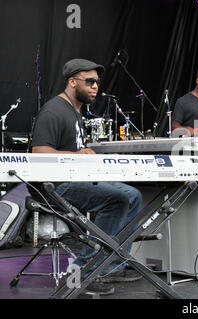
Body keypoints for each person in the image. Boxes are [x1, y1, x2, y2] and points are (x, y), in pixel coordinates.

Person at [30, 58, 143, 296]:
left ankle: (112, 265)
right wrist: (76, 154)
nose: (95, 87)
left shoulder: (75, 111)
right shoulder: (54, 111)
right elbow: (39, 153)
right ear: (72, 82)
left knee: (133, 196)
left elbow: (76, 149)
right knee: (118, 200)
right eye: (89, 81)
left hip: (73, 179)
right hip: (54, 185)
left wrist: (101, 153)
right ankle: (83, 270)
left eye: (97, 82)